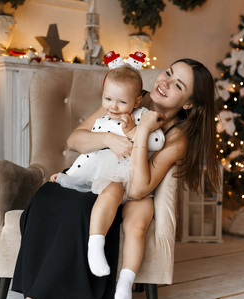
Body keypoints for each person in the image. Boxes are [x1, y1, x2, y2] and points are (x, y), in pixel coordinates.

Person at [12, 58, 221, 299]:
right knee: (47, 197)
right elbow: (75, 139)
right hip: (91, 174)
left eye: (178, 85)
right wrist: (109, 140)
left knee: (79, 209)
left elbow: (138, 189)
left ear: (188, 104)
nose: (165, 82)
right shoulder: (129, 97)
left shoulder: (177, 139)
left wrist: (141, 130)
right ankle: (34, 293)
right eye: (168, 73)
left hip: (121, 191)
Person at [49, 64, 165, 283]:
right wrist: (68, 176)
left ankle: (123, 282)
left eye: (122, 102)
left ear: (137, 101)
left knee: (130, 213)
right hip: (107, 174)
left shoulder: (143, 115)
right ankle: (95, 244)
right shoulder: (102, 121)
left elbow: (158, 142)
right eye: (108, 99)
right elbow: (87, 156)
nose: (113, 107)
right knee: (111, 190)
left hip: (132, 176)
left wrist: (133, 130)